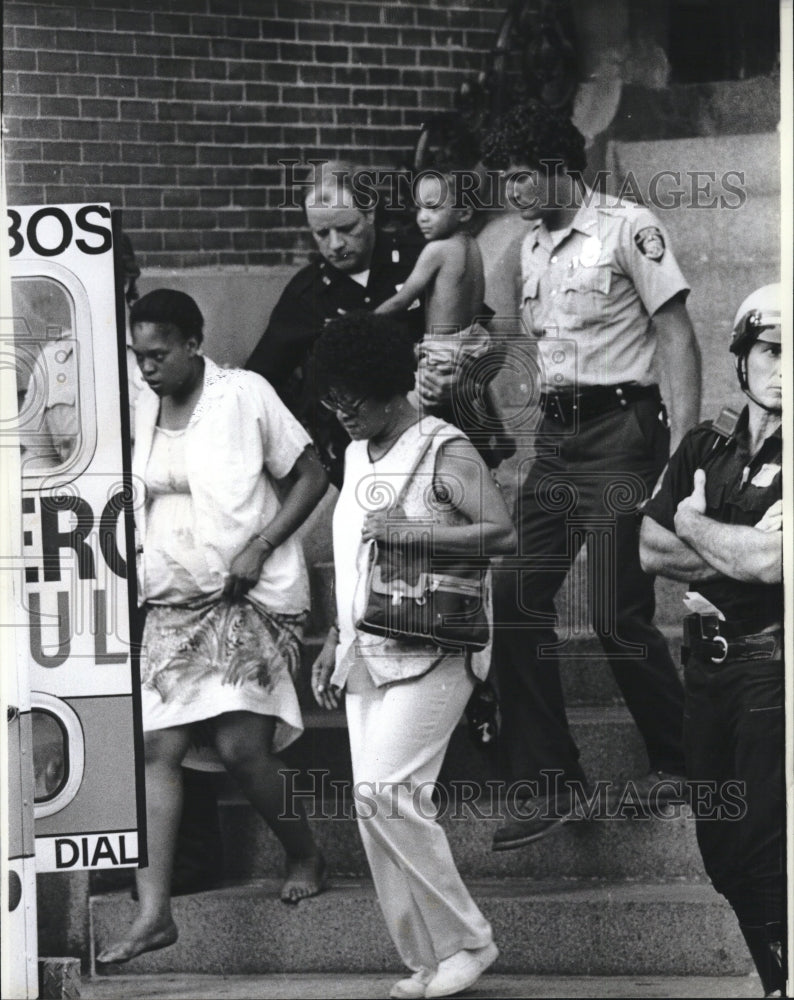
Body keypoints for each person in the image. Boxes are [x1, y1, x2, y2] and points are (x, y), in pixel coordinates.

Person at [479, 101, 702, 849]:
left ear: (556, 167)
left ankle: (681, 760)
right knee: (513, 597)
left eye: (517, 178)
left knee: (615, 608)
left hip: (624, 431)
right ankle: (551, 781)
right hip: (558, 439)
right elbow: (531, 354)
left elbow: (675, 333)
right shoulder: (526, 250)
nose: (507, 195)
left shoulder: (627, 228)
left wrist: (684, 446)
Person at [96, 289, 328, 966]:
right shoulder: (140, 406)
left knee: (238, 744)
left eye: (159, 354)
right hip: (170, 599)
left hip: (248, 596)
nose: (147, 369)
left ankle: (307, 854)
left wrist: (260, 545)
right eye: (139, 356)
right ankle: (153, 913)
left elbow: (312, 474)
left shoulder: (244, 395)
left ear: (195, 342)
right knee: (155, 747)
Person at [311, 313, 514, 999]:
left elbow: (503, 536)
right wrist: (335, 639)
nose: (342, 412)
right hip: (368, 647)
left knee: (385, 792)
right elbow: (351, 556)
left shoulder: (444, 448)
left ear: (389, 386)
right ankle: (425, 959)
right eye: (332, 399)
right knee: (376, 812)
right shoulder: (352, 452)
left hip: (436, 645)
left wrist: (418, 530)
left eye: (353, 399)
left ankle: (469, 941)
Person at [639, 283, 785, 997]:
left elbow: (772, 564)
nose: (783, 369)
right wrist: (738, 549)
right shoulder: (705, 442)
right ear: (742, 355)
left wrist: (696, 525)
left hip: (772, 667)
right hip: (705, 669)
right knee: (722, 855)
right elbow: (646, 549)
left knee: (767, 851)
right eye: (770, 350)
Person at [245, 160, 426, 488]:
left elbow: (479, 331)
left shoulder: (419, 261)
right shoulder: (307, 293)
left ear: (370, 212)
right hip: (353, 464)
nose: (335, 244)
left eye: (346, 228)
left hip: (427, 446)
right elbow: (259, 381)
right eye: (321, 233)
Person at [375, 168, 513, 468]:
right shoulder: (471, 246)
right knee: (471, 390)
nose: (422, 217)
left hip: (443, 346)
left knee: (410, 415)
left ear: (463, 212)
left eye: (434, 208)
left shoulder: (436, 250)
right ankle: (499, 434)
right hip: (472, 338)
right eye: (420, 207)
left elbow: (403, 299)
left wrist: (366, 320)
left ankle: (397, 461)